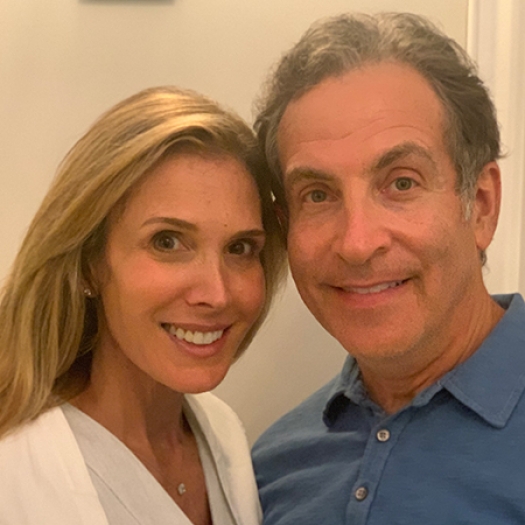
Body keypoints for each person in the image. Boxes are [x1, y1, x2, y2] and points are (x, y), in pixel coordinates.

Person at [251, 12, 525, 524]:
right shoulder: (269, 472)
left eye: (401, 183)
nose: (357, 243)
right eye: (317, 194)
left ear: (481, 205)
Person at [0, 86, 286, 525]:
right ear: (90, 264)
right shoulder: (13, 469)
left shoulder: (222, 433)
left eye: (241, 247)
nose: (217, 293)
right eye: (167, 242)